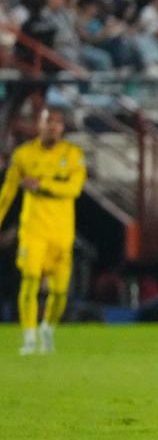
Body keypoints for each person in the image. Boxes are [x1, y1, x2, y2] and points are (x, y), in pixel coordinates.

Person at [0, 107, 86, 354]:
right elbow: (7, 194)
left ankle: (47, 327)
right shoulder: (24, 155)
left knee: (59, 291)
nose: (53, 127)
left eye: (58, 123)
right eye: (49, 122)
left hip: (61, 232)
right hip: (33, 230)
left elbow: (74, 189)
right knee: (29, 280)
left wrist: (43, 185)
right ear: (40, 124)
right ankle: (28, 337)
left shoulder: (72, 155)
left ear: (62, 128)